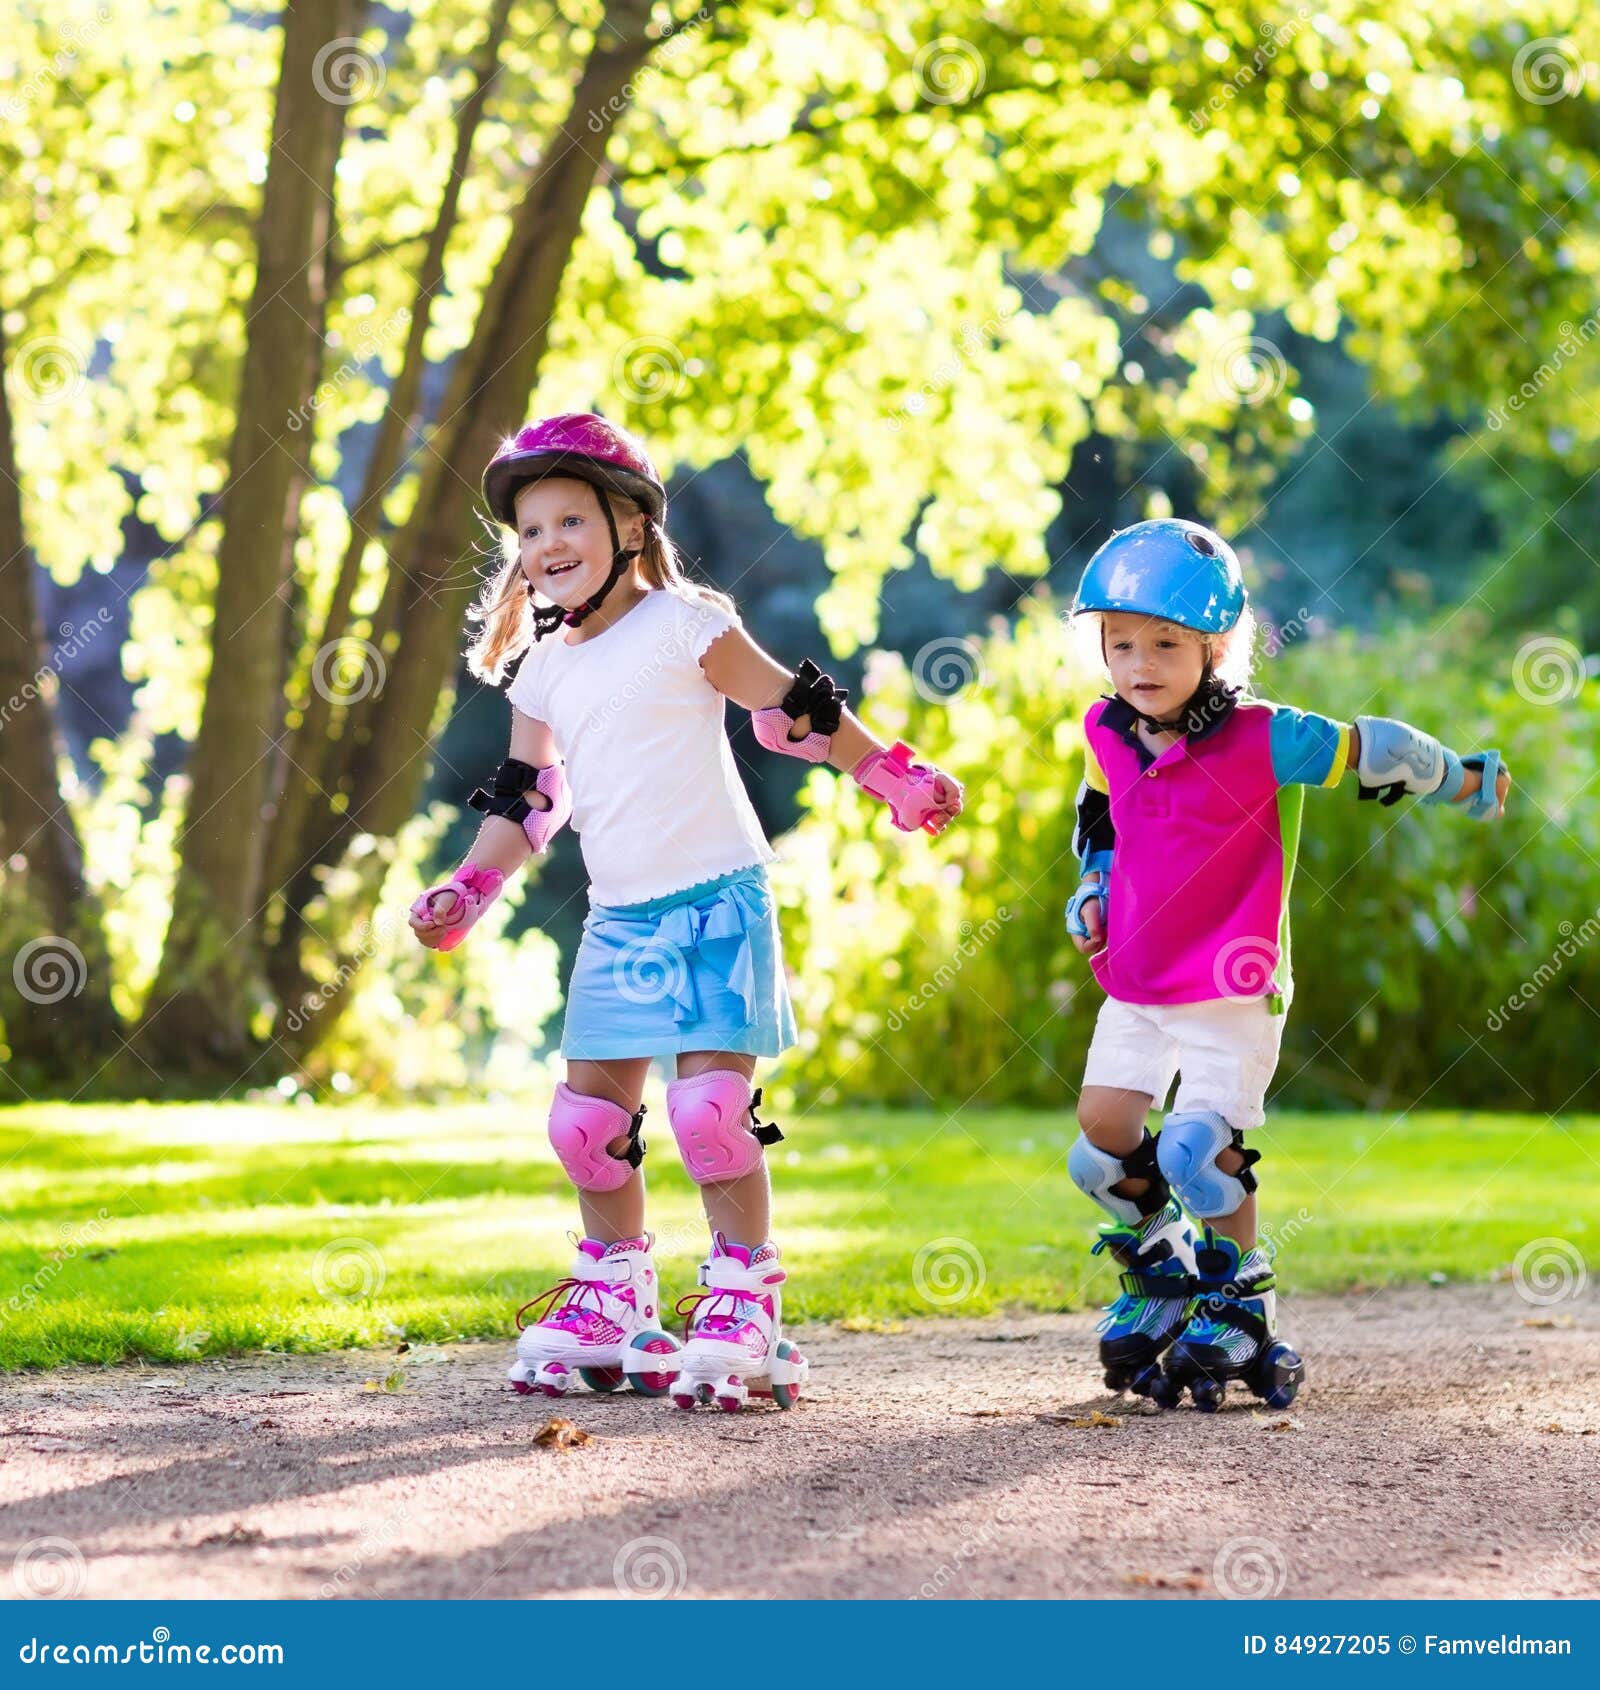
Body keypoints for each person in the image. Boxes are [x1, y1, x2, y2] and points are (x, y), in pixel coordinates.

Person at [408, 412, 963, 1412]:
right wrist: (469, 888)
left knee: (709, 1115)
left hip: (717, 899)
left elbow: (795, 708)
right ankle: (616, 1292)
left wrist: (893, 772)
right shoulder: (542, 669)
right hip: (621, 920)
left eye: (569, 520)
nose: (547, 547)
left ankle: (744, 1294)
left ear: (630, 525)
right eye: (529, 532)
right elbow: (531, 799)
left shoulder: (685, 623)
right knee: (585, 1122)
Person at [1064, 518, 1509, 1410]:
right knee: (1099, 1146)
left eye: (1166, 643)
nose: (1140, 663)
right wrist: (1093, 884)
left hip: (1232, 984)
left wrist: (1464, 778)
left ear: (1216, 648)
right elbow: (1102, 813)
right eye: (1121, 644)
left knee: (1195, 1151)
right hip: (1141, 977)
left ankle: (1240, 1297)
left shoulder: (1263, 734)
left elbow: (1371, 749)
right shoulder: (1107, 729)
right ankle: (1163, 1268)